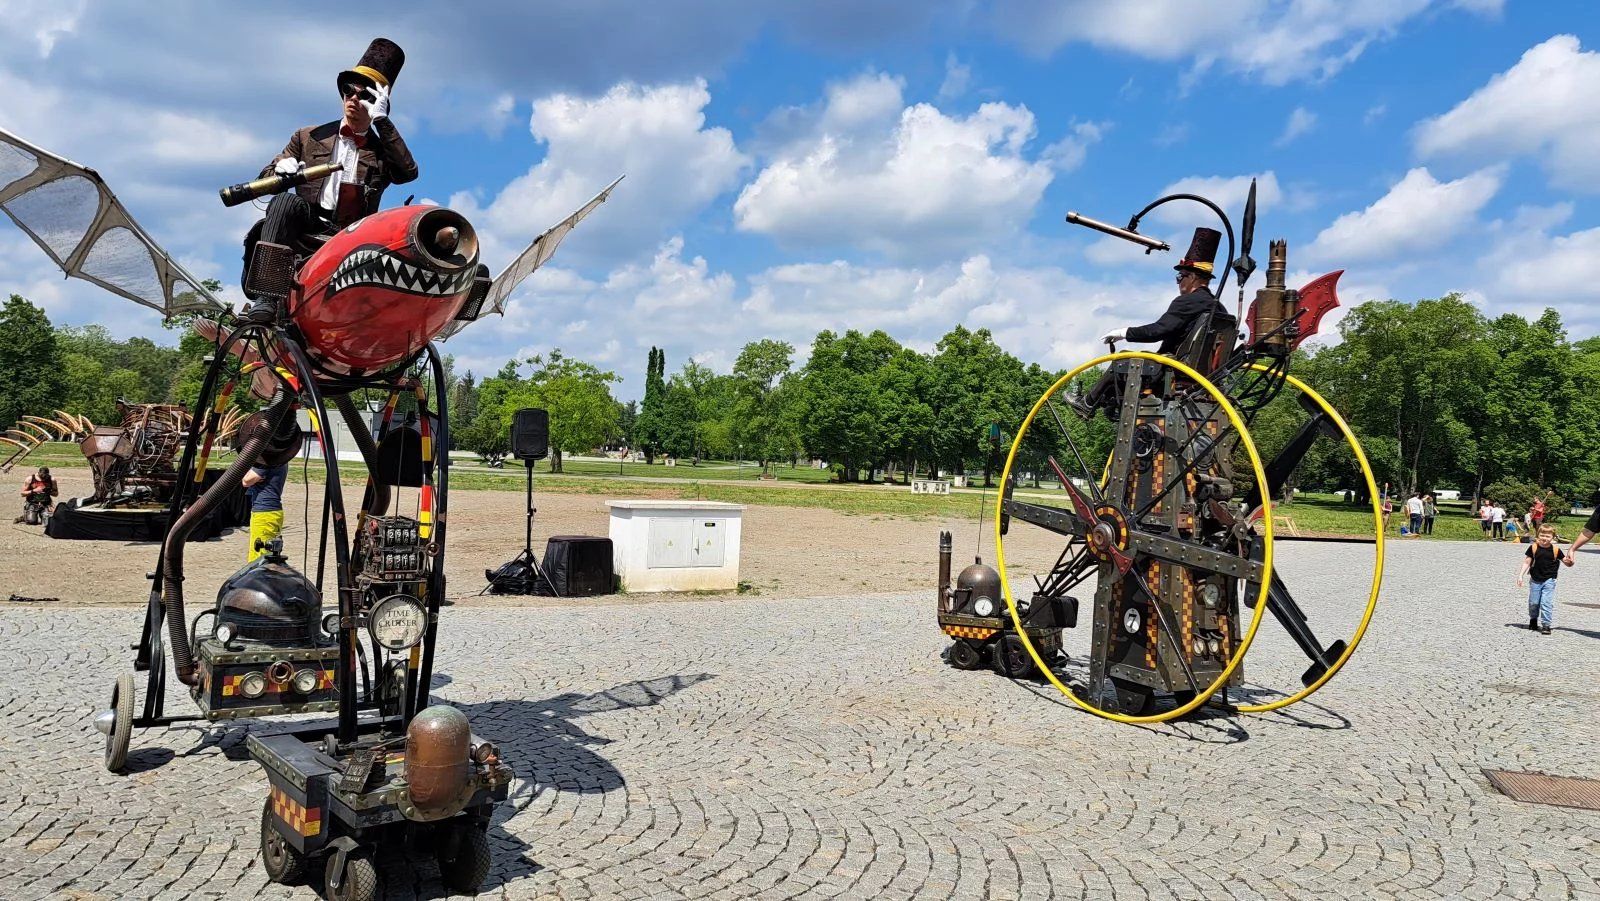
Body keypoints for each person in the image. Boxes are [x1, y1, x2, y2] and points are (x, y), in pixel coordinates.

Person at [241, 38, 418, 325]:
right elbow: (265, 178)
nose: (354, 99)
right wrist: (280, 172)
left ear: (377, 104)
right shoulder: (307, 136)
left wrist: (383, 123)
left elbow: (408, 173)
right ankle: (267, 296)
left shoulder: (383, 151)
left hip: (354, 234)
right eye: (349, 91)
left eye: (365, 95)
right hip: (306, 224)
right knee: (285, 200)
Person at [1068, 227, 1238, 419]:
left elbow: (1159, 330)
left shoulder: (1187, 301)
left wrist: (1124, 332)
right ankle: (1113, 406)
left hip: (1174, 371)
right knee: (1131, 364)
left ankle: (1088, 403)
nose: (1178, 282)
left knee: (1123, 360)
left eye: (1180, 277)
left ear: (1192, 277)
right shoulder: (1220, 309)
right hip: (1203, 379)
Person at [1516, 525, 1570, 635]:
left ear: (1552, 537)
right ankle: (1533, 619)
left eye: (1547, 536)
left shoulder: (1556, 550)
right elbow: (1527, 562)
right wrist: (1520, 575)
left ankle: (1546, 624)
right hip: (1535, 579)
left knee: (1546, 602)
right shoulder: (1533, 548)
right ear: (1537, 535)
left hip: (1549, 579)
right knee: (1534, 602)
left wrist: (1570, 561)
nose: (1544, 538)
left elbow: (1566, 561)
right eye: (1542, 535)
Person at [243, 461, 290, 562]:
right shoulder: (282, 459)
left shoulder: (267, 461)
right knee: (270, 554)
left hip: (264, 514)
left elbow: (246, 481)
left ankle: (257, 578)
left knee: (259, 557)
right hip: (273, 513)